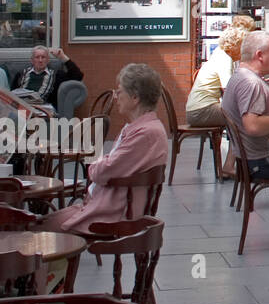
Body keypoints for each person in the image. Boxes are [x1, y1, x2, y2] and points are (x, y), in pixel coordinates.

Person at [42, 64, 168, 235]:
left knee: (38, 230)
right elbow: (110, 164)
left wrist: (95, 166)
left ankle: (55, 259)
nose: (115, 97)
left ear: (135, 97)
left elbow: (101, 171)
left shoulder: (145, 133)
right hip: (108, 206)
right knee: (40, 223)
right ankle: (58, 260)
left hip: (112, 214)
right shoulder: (141, 127)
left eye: (119, 91)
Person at [219, 30, 269, 180]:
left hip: (263, 157)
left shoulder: (240, 76)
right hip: (267, 161)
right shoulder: (251, 84)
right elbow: (252, 126)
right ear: (259, 55)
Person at [185, 21, 252, 127]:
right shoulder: (224, 59)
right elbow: (229, 91)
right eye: (243, 46)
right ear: (234, 45)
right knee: (249, 116)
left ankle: (236, 142)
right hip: (202, 111)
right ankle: (241, 143)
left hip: (197, 110)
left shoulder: (219, 53)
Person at [6, 45, 85, 119]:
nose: (40, 60)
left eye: (43, 57)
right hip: (22, 107)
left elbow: (78, 76)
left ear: (47, 60)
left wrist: (63, 57)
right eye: (37, 57)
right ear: (32, 60)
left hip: (42, 109)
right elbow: (13, 93)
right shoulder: (21, 74)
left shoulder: (56, 75)